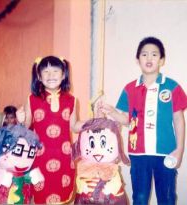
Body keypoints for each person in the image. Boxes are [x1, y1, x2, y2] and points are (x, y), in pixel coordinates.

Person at [99, 37, 187, 205]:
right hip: (138, 154)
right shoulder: (129, 88)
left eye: (154, 54)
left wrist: (180, 149)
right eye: (144, 54)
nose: (149, 58)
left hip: (166, 153)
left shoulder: (172, 87)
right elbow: (126, 120)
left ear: (161, 60)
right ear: (137, 59)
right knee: (139, 197)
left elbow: (179, 119)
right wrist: (111, 112)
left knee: (167, 198)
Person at [17, 56, 84, 204]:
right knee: (41, 194)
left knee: (63, 195)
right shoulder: (32, 98)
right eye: (46, 72)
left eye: (55, 71)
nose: (51, 75)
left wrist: (92, 122)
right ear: (39, 76)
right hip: (41, 156)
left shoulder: (72, 100)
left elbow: (74, 126)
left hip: (64, 156)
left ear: (63, 74)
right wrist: (20, 120)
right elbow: (26, 127)